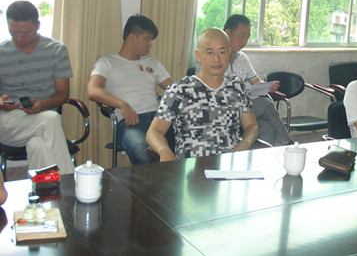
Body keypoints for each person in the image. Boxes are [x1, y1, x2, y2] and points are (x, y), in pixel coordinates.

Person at [146, 28, 259, 161]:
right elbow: (154, 132)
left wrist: (245, 143)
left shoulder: (237, 87)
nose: (216, 59)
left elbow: (251, 126)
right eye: (210, 52)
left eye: (222, 52)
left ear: (229, 53)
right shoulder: (180, 90)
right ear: (198, 55)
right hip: (190, 167)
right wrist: (164, 150)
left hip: (229, 164)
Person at [88, 15, 174, 165]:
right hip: (131, 122)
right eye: (147, 39)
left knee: (185, 150)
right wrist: (122, 104)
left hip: (159, 119)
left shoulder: (152, 63)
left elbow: (175, 89)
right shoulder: (107, 62)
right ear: (131, 37)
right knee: (146, 159)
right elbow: (93, 90)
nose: (150, 45)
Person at [0, 1, 74, 174]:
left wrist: (43, 105)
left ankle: (45, 189)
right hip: (8, 122)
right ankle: (69, 182)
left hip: (43, 117)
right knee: (51, 120)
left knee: (39, 145)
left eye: (25, 33)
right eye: (13, 32)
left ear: (38, 26)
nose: (19, 38)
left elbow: (63, 93)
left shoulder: (56, 50)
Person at [195, 14, 291, 146]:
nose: (244, 42)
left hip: (243, 106)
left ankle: (262, 156)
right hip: (220, 107)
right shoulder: (209, 58)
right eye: (241, 36)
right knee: (266, 103)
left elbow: (256, 82)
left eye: (247, 38)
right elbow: (204, 88)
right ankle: (287, 141)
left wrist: (267, 86)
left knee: (266, 127)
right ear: (228, 33)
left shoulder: (242, 58)